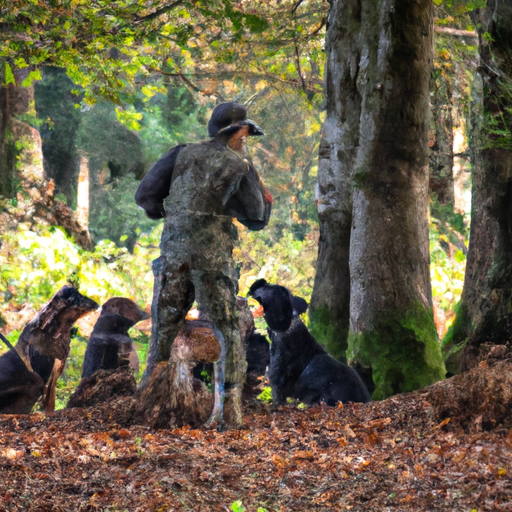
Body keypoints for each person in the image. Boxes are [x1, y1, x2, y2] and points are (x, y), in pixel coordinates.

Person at [136, 102, 272, 428]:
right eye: (245, 133)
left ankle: (144, 407)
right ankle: (229, 414)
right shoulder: (241, 166)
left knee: (162, 334)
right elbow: (256, 216)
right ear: (237, 132)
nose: (247, 139)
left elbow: (145, 196)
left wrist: (169, 216)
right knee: (226, 332)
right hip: (213, 260)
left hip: (173, 257)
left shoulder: (179, 154)